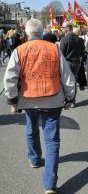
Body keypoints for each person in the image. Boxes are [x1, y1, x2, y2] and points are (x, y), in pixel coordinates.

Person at [4, 19, 75, 194]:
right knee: (52, 140)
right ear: (42, 32)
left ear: (27, 34)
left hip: (29, 99)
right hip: (53, 99)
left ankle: (35, 159)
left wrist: (12, 100)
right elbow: (67, 76)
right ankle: (49, 184)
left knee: (31, 128)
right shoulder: (54, 48)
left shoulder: (19, 50)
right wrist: (70, 98)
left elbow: (10, 78)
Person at [60, 21, 83, 107]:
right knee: (74, 82)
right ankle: (72, 101)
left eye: (63, 27)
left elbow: (61, 53)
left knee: (66, 82)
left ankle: (68, 99)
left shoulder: (64, 39)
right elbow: (81, 53)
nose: (62, 29)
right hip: (76, 62)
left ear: (68, 28)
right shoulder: (79, 39)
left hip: (67, 62)